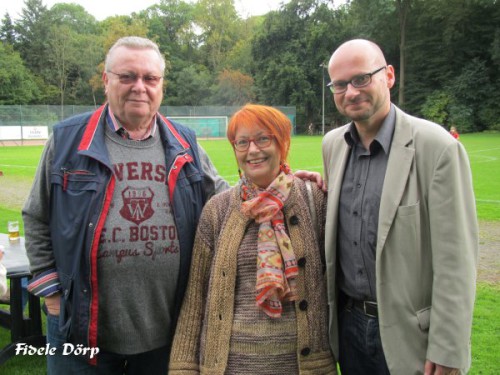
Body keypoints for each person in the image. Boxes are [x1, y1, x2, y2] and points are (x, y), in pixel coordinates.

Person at [22, 36, 229, 374]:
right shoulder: (67, 140)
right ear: (106, 81)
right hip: (78, 326)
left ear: (161, 85)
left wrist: (283, 185)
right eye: (127, 76)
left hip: (166, 330)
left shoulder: (185, 143)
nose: (139, 87)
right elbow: (36, 215)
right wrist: (52, 295)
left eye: (150, 78)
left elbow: (225, 200)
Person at [322, 39, 478, 375]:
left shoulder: (436, 148)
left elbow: (457, 260)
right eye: (340, 84)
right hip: (348, 331)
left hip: (411, 338)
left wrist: (448, 347)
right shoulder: (332, 146)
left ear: (389, 75)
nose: (351, 92)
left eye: (361, 79)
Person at [169, 104, 336, 374]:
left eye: (263, 139)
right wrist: (183, 369)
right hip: (229, 366)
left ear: (282, 143)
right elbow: (195, 299)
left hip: (302, 367)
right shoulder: (217, 210)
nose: (253, 150)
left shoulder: (314, 200)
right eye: (242, 142)